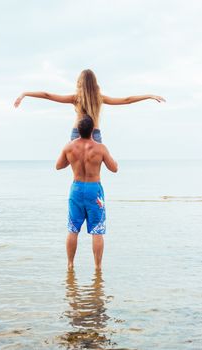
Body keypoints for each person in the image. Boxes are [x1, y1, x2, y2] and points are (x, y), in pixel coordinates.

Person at [14, 69, 166, 143]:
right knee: (94, 170)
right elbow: (127, 100)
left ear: (79, 83)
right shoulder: (99, 99)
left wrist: (25, 93)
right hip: (95, 134)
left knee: (78, 169)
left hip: (76, 133)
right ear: (95, 83)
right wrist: (149, 95)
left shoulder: (75, 99)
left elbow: (48, 95)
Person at [56, 115, 118, 271]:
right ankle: (98, 267)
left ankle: (70, 264)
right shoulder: (100, 148)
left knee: (72, 229)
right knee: (97, 230)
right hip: (93, 190)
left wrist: (73, 159)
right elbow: (114, 168)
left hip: (76, 189)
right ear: (92, 130)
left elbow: (58, 166)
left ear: (78, 130)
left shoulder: (69, 146)